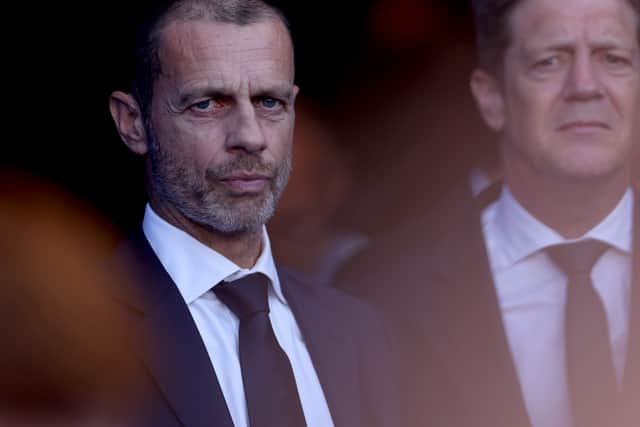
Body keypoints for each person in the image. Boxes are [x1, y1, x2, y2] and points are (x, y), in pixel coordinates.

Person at [335, 0, 640, 426]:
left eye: (614, 58)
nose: (585, 85)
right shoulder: (379, 293)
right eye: (549, 61)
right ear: (491, 98)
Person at [107, 1, 400, 426]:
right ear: (133, 122)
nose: (250, 136)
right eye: (207, 104)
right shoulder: (82, 333)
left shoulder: (360, 333)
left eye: (269, 102)